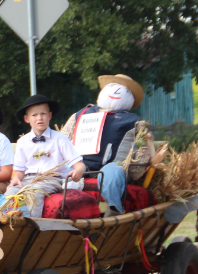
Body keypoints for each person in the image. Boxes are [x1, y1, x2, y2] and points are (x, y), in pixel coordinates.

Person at [0, 94, 85, 217]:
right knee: (10, 192)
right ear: (27, 118)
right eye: (34, 115)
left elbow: (79, 164)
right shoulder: (22, 141)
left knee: (34, 193)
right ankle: (5, 222)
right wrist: (16, 179)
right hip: (28, 179)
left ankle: (32, 223)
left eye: (43, 114)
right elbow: (19, 170)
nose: (39, 118)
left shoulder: (60, 139)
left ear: (49, 115)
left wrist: (78, 171)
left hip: (51, 179)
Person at [62, 74, 144, 215]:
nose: (116, 91)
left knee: (112, 174)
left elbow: (142, 152)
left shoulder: (136, 123)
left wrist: (136, 169)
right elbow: (62, 140)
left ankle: (114, 210)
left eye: (124, 90)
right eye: (113, 87)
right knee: (55, 168)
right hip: (77, 164)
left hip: (111, 167)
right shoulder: (80, 114)